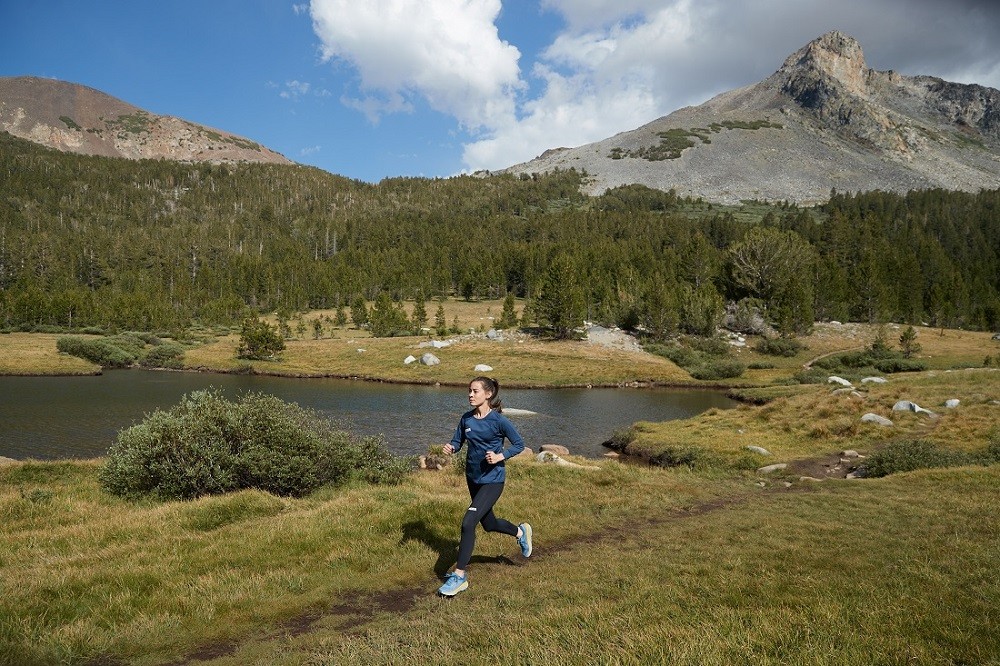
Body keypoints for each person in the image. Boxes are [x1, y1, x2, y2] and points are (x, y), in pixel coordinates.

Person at [437, 376, 532, 597]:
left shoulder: (499, 421)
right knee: (488, 524)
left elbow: (519, 444)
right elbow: (458, 442)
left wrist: (501, 456)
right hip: (473, 478)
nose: (470, 395)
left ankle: (459, 576)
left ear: (488, 394)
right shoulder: (466, 419)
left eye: (475, 391)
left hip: (493, 480)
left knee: (468, 522)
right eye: (469, 391)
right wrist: (451, 447)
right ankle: (520, 532)